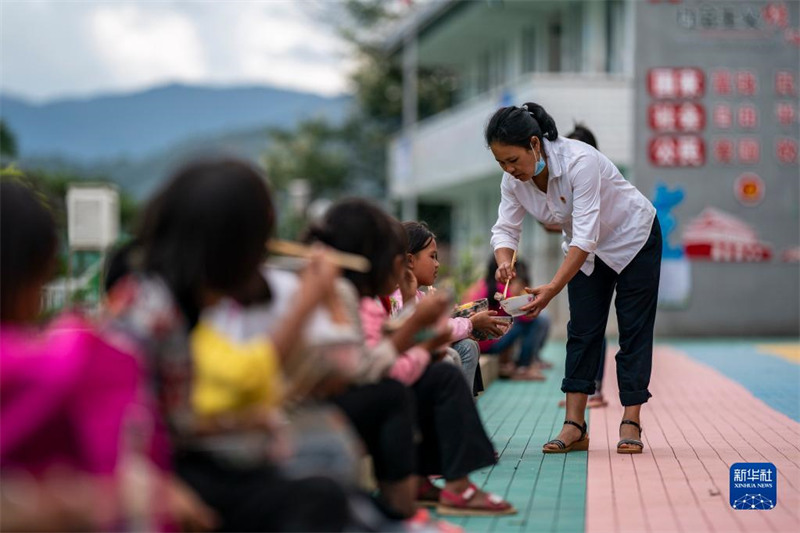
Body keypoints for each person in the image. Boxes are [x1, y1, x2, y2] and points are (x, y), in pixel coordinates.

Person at [104, 159, 355, 531]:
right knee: (319, 497)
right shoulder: (153, 316)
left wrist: (237, 424)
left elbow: (173, 424)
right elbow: (116, 440)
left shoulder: (172, 305)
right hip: (146, 489)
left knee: (320, 491)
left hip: (175, 468)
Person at [307, 199, 516, 516]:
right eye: (392, 256)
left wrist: (418, 329)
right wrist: (422, 337)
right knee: (430, 378)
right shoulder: (347, 296)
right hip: (335, 407)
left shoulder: (362, 296)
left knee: (436, 370)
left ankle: (423, 481)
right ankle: (450, 488)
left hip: (360, 390)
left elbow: (389, 354)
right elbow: (380, 369)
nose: (399, 266)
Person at [486, 103, 662, 455]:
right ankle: (575, 425)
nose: (508, 169)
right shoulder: (513, 181)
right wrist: (504, 261)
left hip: (634, 238)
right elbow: (505, 228)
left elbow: (584, 236)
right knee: (582, 330)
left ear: (535, 144)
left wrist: (552, 288)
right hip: (590, 251)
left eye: (513, 160)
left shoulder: (580, 161)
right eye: (500, 162)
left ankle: (631, 420)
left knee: (633, 329)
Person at [392, 221, 507, 392]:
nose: (437, 264)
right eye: (432, 257)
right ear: (409, 260)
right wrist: (471, 324)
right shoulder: (397, 295)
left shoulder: (421, 295)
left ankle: (462, 409)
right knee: (454, 355)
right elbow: (427, 331)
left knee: (467, 346)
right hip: (404, 363)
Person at [467, 256, 551, 381]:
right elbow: (525, 318)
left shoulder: (482, 285)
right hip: (490, 344)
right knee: (536, 321)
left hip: (480, 343)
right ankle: (523, 367)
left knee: (532, 320)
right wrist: (518, 294)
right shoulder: (502, 289)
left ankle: (522, 363)